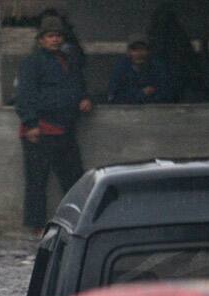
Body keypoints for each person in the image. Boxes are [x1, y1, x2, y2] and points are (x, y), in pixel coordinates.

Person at [15, 15, 92, 233]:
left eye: (58, 36)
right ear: (41, 40)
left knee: (73, 178)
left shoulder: (69, 60)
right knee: (37, 181)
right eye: (50, 36)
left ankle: (76, 222)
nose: (55, 40)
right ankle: (36, 226)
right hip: (41, 129)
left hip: (65, 127)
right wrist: (30, 123)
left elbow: (78, 84)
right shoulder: (31, 63)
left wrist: (84, 98)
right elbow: (24, 95)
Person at [107, 36, 173, 104]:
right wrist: (141, 93)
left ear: (149, 51)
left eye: (143, 49)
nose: (139, 53)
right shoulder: (121, 69)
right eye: (135, 49)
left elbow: (167, 95)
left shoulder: (157, 68)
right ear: (129, 52)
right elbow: (113, 98)